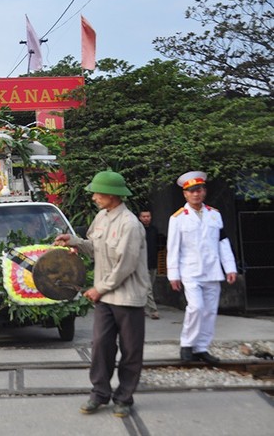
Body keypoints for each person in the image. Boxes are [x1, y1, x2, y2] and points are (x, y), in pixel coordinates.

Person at [54, 170, 148, 418]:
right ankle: (99, 393)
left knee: (130, 350)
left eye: (97, 192)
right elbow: (93, 247)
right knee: (100, 347)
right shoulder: (102, 218)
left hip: (127, 297)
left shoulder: (130, 224)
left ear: (112, 195)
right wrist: (73, 241)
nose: (94, 197)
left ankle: (124, 398)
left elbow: (125, 265)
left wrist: (99, 289)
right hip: (105, 298)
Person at [166, 171, 237, 364]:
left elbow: (223, 242)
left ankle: (202, 347)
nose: (196, 194)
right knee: (196, 307)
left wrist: (230, 267)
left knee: (210, 311)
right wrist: (173, 274)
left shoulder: (214, 215)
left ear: (204, 191)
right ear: (185, 194)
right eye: (192, 191)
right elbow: (173, 248)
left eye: (200, 189)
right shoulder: (178, 218)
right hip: (190, 271)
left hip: (212, 270)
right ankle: (187, 344)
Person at [138, 209, 160, 319]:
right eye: (144, 216)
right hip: (142, 263)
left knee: (148, 287)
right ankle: (153, 310)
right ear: (140, 218)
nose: (146, 218)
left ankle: (141, 308)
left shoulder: (154, 230)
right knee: (148, 288)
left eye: (148, 216)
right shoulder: (137, 230)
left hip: (153, 263)